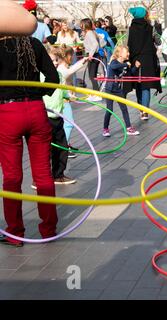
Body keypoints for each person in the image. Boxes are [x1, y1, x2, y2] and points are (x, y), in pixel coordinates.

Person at [0, 35, 59, 246]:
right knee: (43, 174)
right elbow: (53, 78)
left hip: (7, 112)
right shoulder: (33, 44)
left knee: (12, 176)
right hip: (36, 110)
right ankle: (49, 230)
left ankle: (15, 232)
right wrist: (36, 92)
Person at [39, 47, 78, 186]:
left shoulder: (59, 76)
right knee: (45, 149)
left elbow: (61, 91)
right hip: (45, 117)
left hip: (57, 116)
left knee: (61, 147)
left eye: (56, 60)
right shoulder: (40, 76)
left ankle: (58, 175)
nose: (55, 63)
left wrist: (69, 95)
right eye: (52, 60)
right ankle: (40, 179)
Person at [125, 7, 161, 120]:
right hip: (148, 60)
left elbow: (127, 44)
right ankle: (145, 111)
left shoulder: (130, 29)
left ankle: (141, 109)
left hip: (135, 59)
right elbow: (158, 41)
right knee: (146, 85)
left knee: (138, 84)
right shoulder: (150, 28)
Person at [103, 46, 140, 137]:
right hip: (109, 89)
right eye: (126, 52)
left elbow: (130, 73)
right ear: (120, 54)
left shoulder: (125, 64)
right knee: (109, 110)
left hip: (118, 90)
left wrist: (135, 67)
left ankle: (128, 128)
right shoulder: (114, 62)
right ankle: (105, 128)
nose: (128, 54)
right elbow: (114, 67)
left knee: (124, 109)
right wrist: (126, 65)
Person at [58, 45, 88, 158]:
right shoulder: (62, 69)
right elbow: (70, 72)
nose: (73, 57)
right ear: (68, 56)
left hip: (65, 98)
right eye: (72, 55)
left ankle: (65, 145)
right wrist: (83, 61)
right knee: (69, 123)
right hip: (63, 99)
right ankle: (63, 147)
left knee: (65, 123)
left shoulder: (64, 67)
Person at [80, 18, 102, 102]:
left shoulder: (89, 33)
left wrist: (91, 54)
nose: (81, 26)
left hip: (93, 56)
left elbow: (95, 43)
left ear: (85, 24)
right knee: (93, 76)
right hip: (95, 56)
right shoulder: (93, 32)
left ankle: (97, 95)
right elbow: (102, 42)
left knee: (92, 76)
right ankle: (96, 94)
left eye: (82, 24)